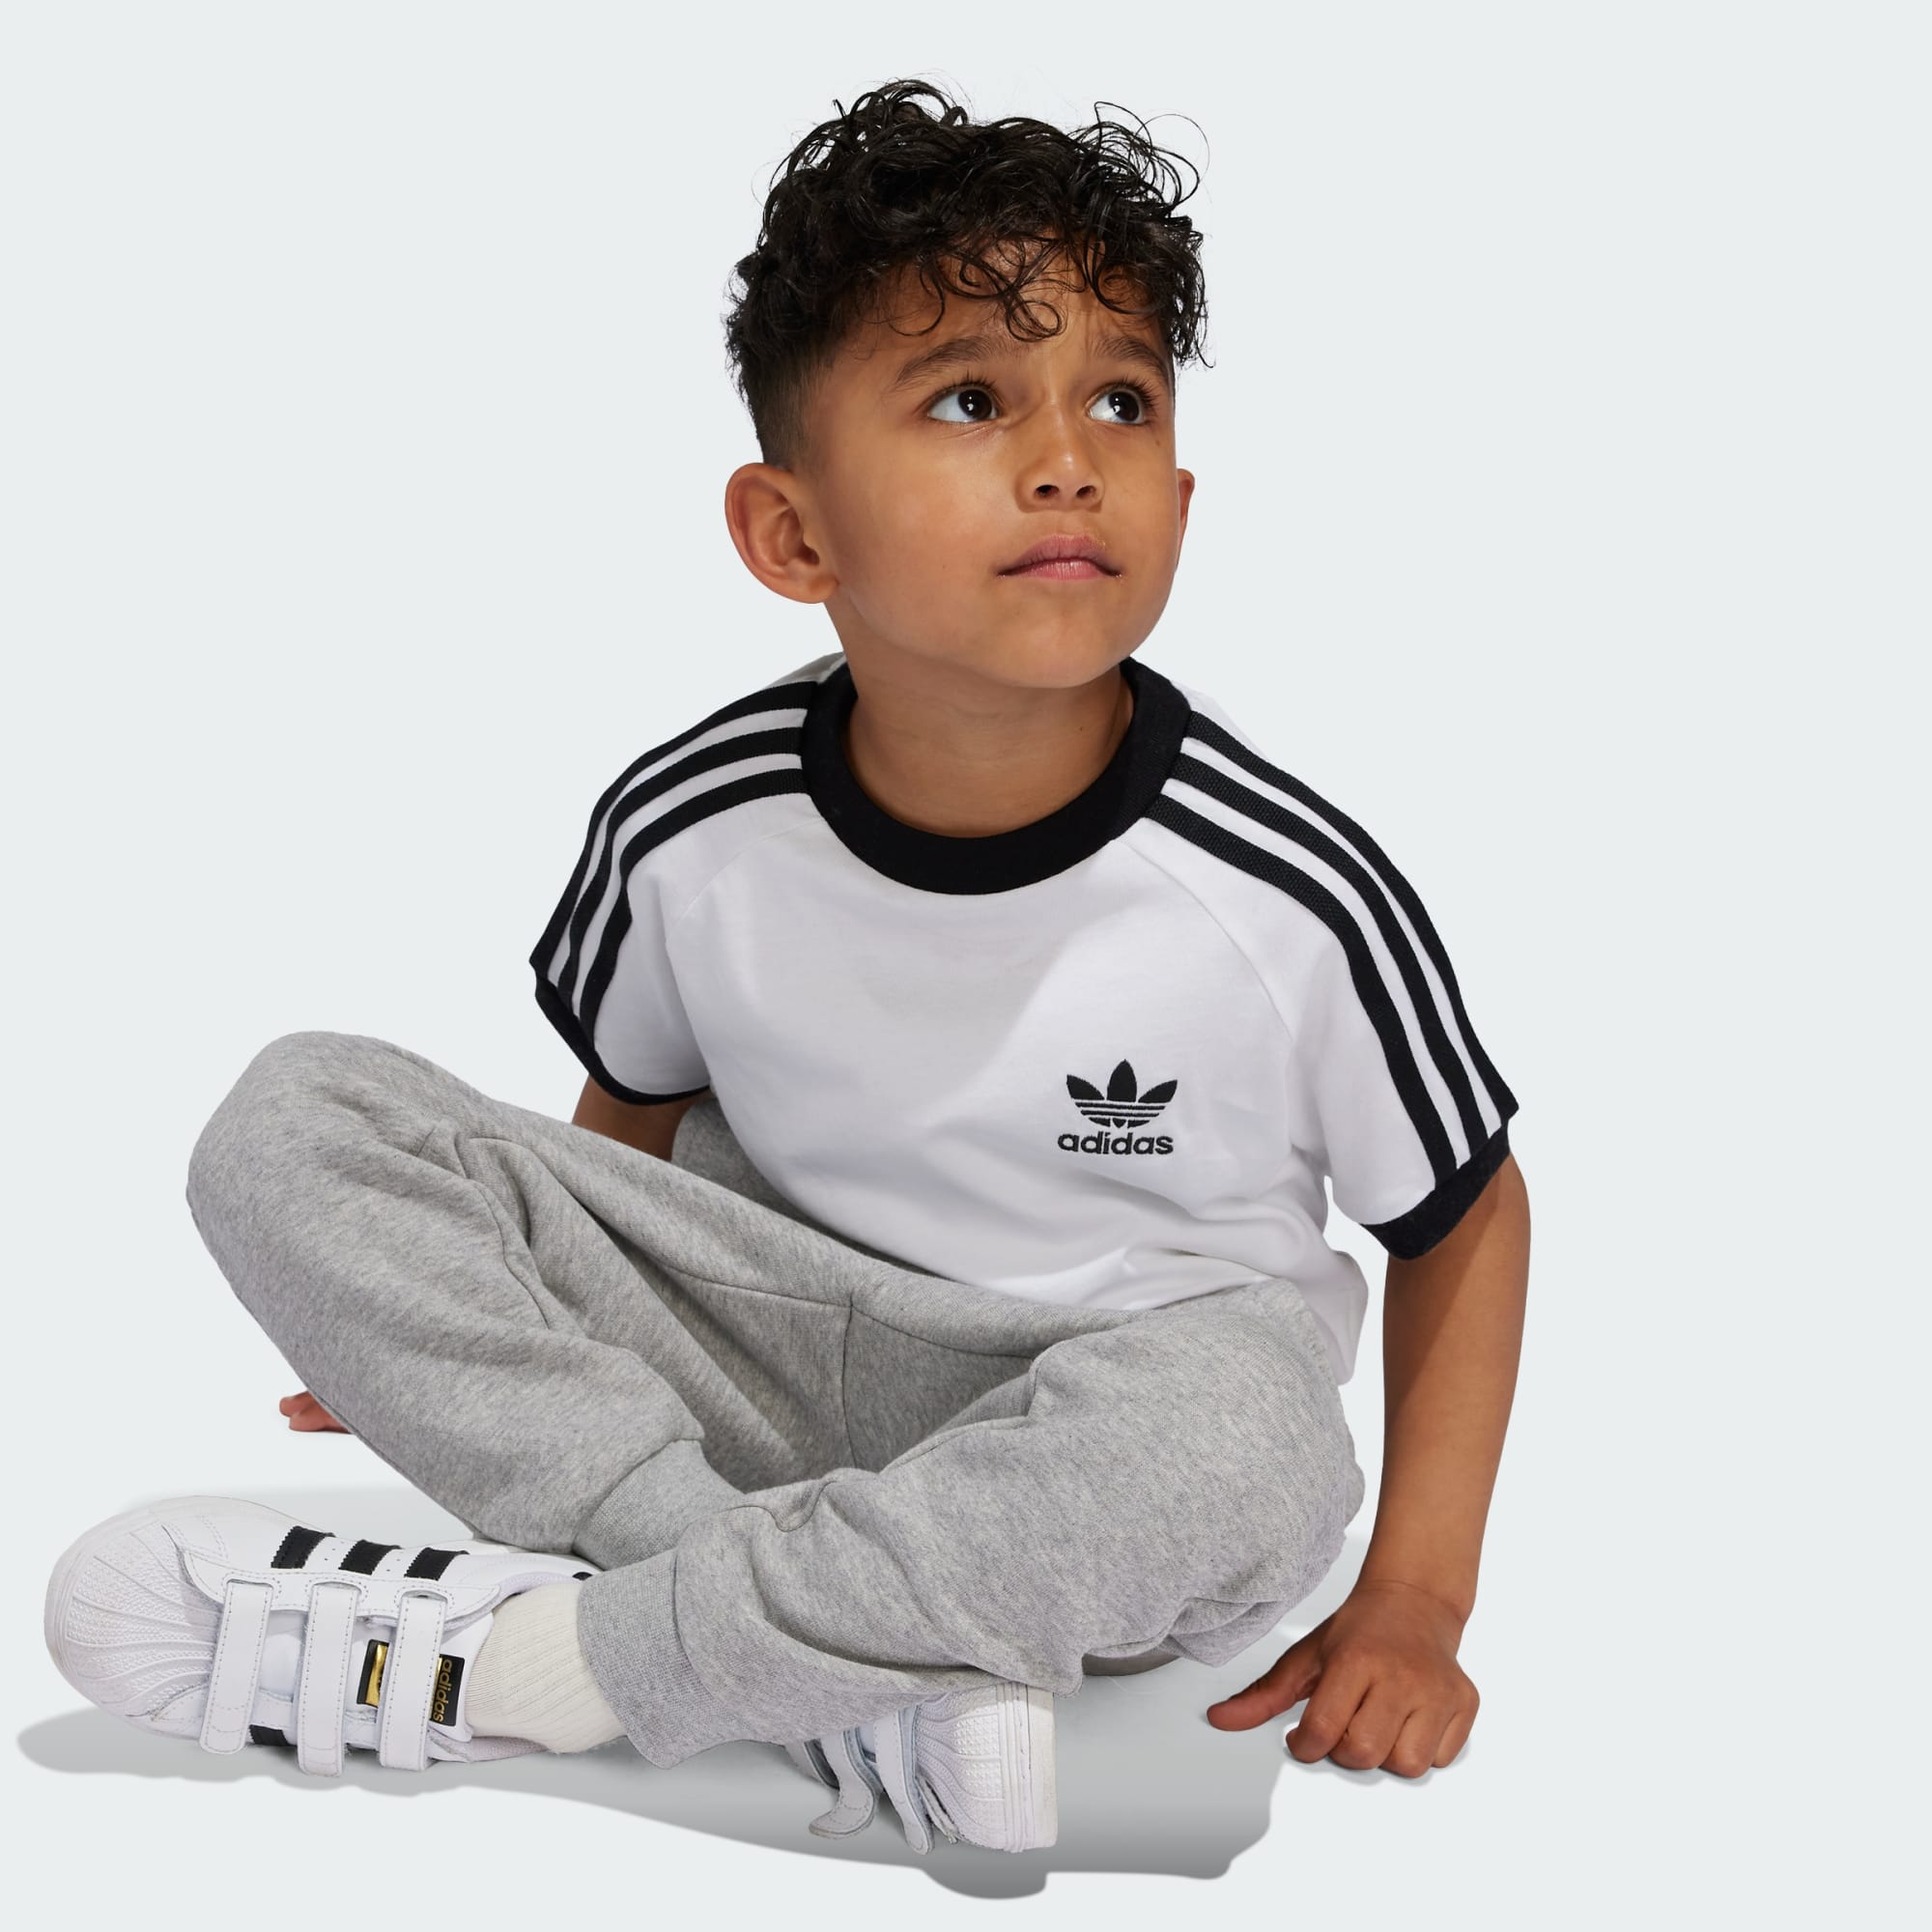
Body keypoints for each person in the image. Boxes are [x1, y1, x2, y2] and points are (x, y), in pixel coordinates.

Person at [43, 79, 1530, 1857]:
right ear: (790, 536)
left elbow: (1467, 1219)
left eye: (1121, 401)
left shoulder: (1286, 890)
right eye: (972, 400)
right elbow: (625, 1141)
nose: (1069, 456)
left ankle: (561, 1666)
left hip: (1088, 1442)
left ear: (1180, 498)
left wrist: (1415, 1598)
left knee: (1249, 1445)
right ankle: (849, 1654)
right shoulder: (690, 822)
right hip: (753, 1373)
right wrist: (494, 1319)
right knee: (293, 1115)